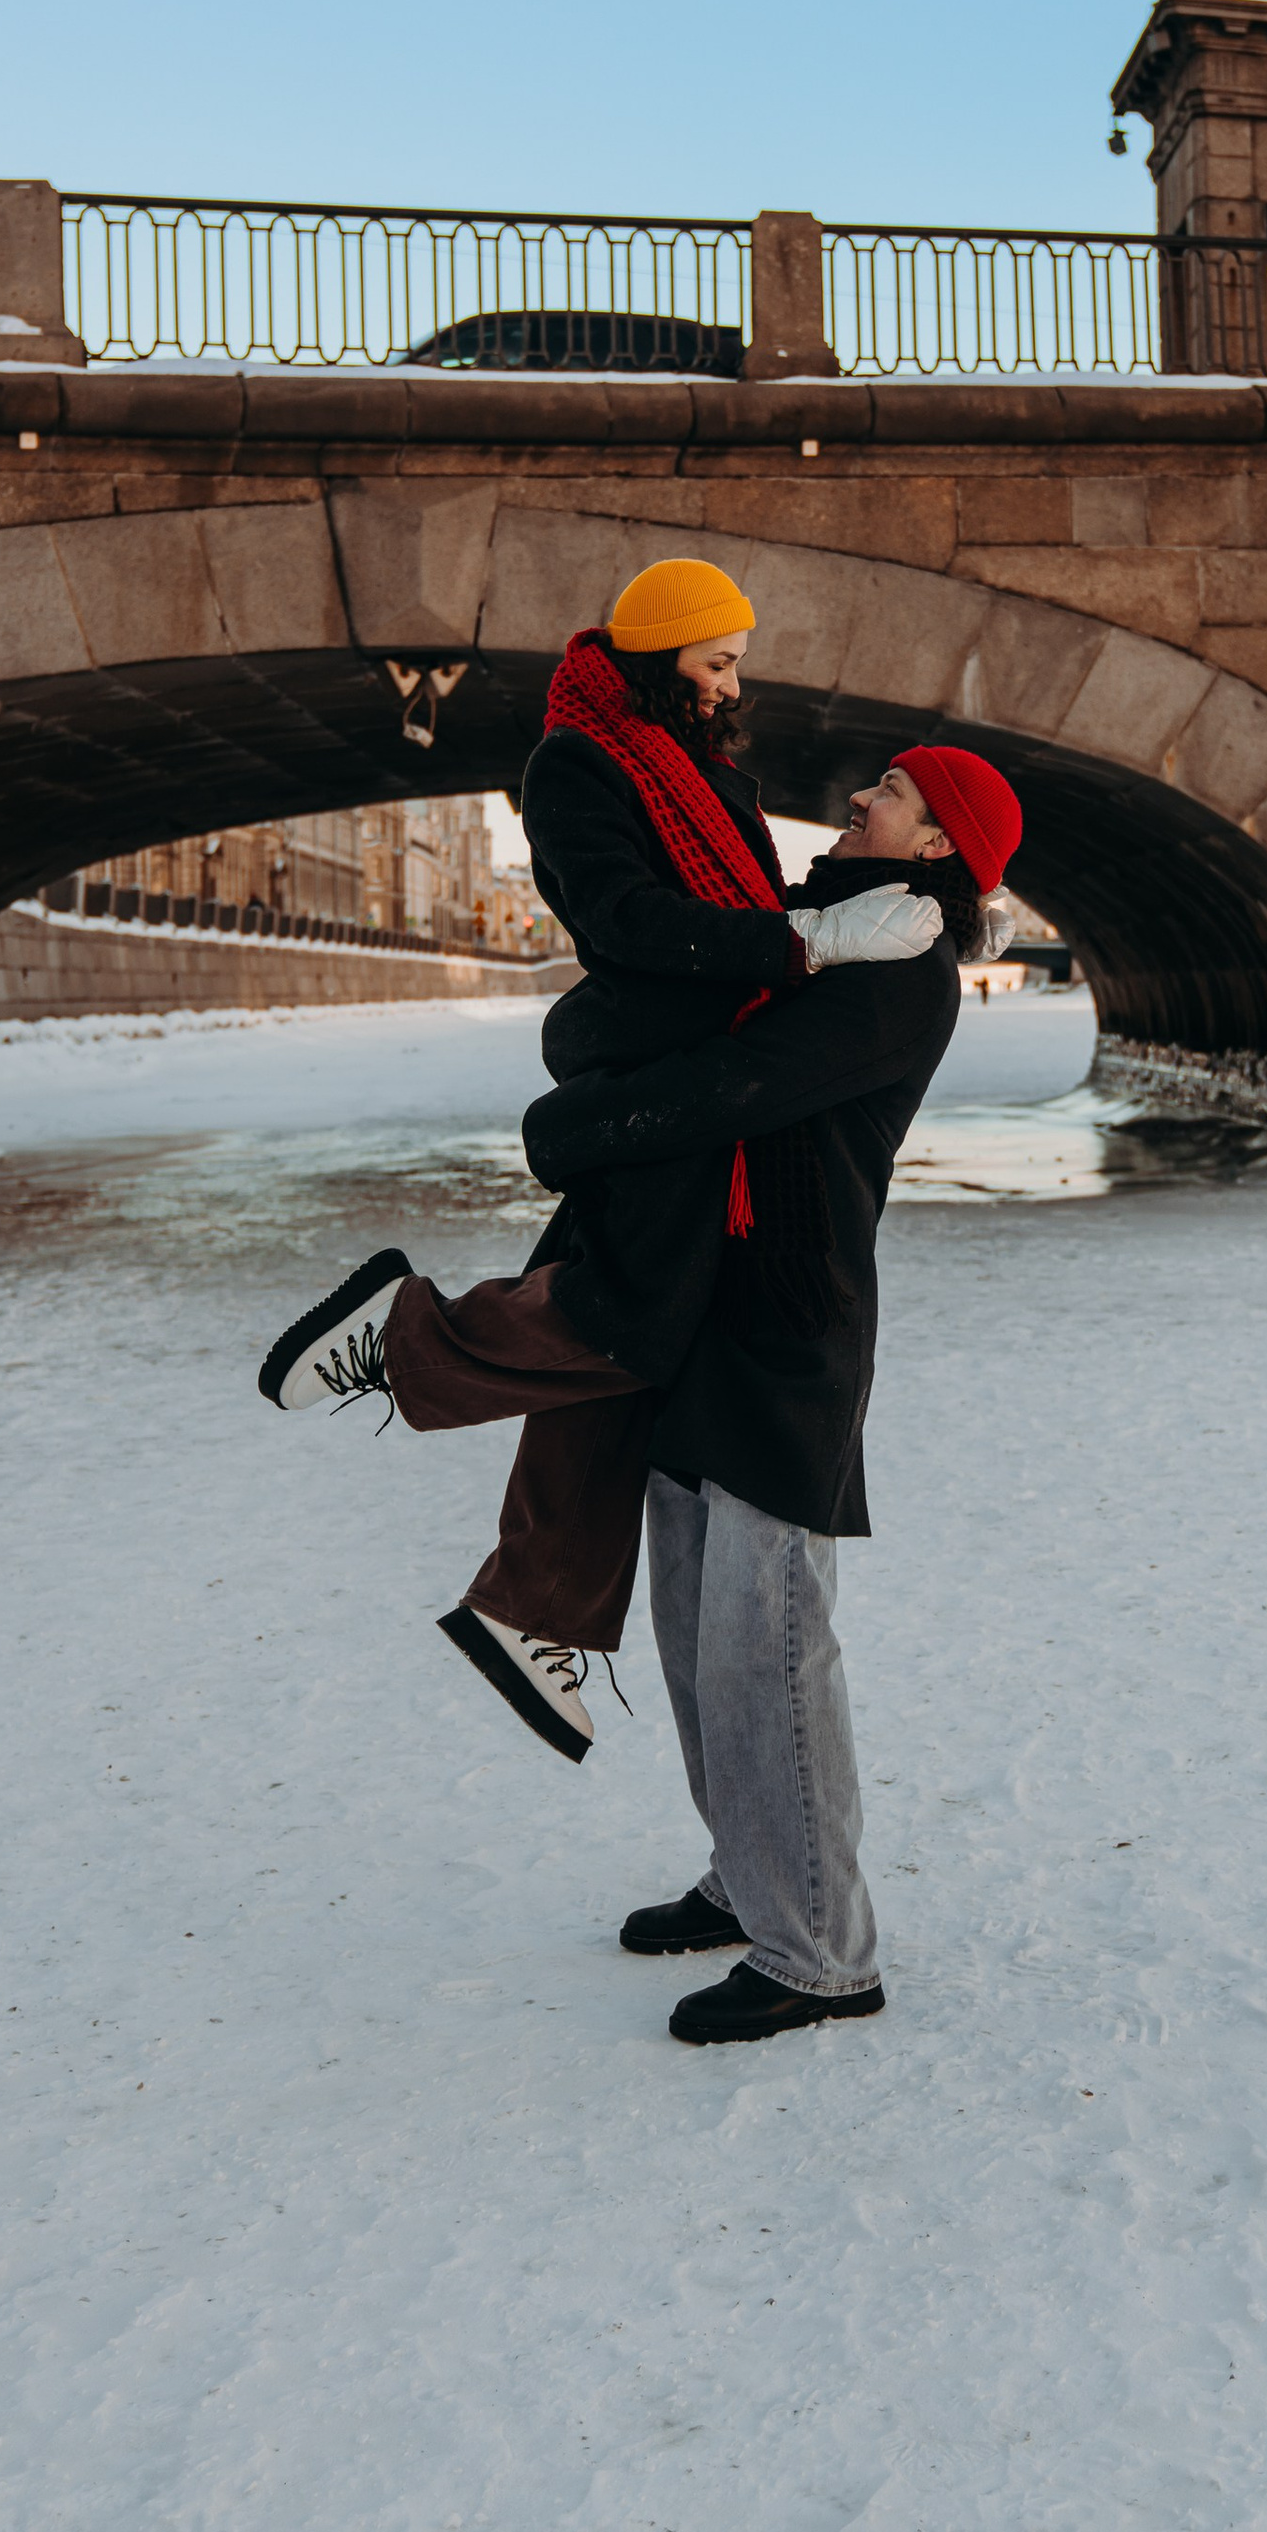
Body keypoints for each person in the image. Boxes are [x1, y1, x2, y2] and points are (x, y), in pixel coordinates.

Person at [255, 553, 942, 1765]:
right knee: (627, 1319)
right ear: (662, 655)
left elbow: (728, 905)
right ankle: (396, 1337)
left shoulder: (702, 768)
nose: (733, 684)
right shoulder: (576, 765)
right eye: (716, 661)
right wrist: (806, 945)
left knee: (625, 1352)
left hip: (686, 1074)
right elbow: (626, 921)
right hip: (659, 1073)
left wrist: (824, 926)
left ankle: (530, 1606)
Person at [521, 737, 1024, 2045]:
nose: (862, 792)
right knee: (696, 1631)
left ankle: (818, 1948)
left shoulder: (896, 967)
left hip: (787, 1329)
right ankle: (748, 1874)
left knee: (770, 1644)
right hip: (702, 1303)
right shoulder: (797, 932)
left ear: (936, 851)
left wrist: (577, 1128)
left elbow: (727, 1090)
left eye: (895, 793)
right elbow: (630, 1002)